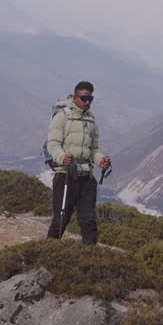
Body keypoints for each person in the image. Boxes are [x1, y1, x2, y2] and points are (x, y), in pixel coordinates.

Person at [45, 80, 111, 245]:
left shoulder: (92, 121)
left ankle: (90, 258)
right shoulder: (62, 117)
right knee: (62, 217)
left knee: (88, 220)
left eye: (90, 99)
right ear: (75, 97)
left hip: (86, 177)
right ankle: (48, 251)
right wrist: (62, 157)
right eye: (84, 98)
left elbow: (93, 150)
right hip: (66, 175)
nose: (87, 102)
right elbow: (53, 144)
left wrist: (101, 160)